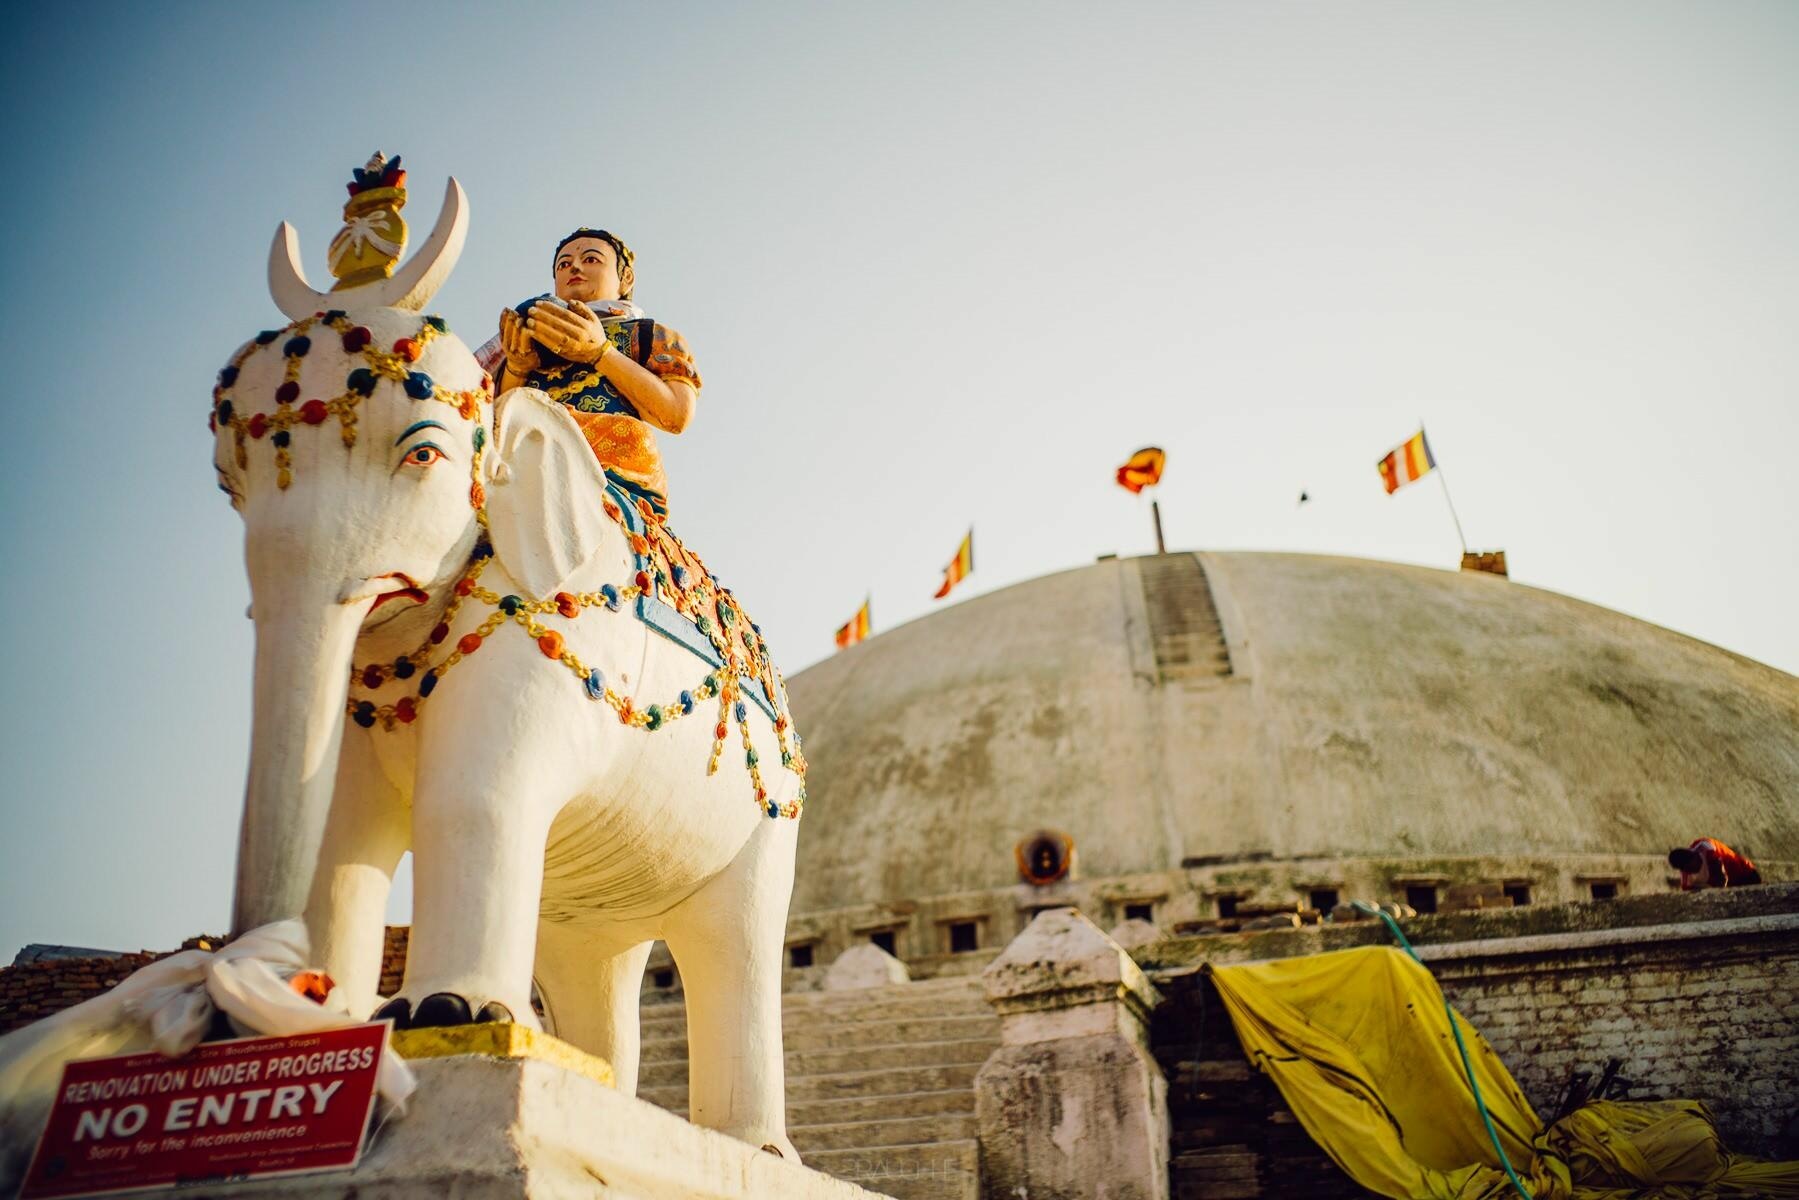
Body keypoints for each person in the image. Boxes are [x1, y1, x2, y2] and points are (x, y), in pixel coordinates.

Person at [478, 228, 700, 515]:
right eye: (564, 264)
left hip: (612, 469)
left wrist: (600, 352)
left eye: (592, 259)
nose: (576, 268)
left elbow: (676, 415)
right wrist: (518, 368)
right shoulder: (534, 342)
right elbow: (496, 420)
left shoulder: (646, 334)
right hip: (527, 466)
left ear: (626, 279)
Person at [1668, 837, 1761, 890]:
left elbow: (1722, 877)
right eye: (1689, 870)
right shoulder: (1687, 879)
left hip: (1745, 873)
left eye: (1692, 867)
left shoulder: (1706, 848)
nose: (1694, 870)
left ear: (1694, 855)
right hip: (1729, 885)